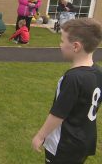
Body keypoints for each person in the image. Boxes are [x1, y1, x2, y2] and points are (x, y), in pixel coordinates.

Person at [32, 18, 102, 164]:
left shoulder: (73, 78)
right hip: (85, 140)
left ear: (76, 46)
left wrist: (40, 135)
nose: (60, 45)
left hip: (65, 144)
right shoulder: (97, 72)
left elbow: (58, 114)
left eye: (62, 41)